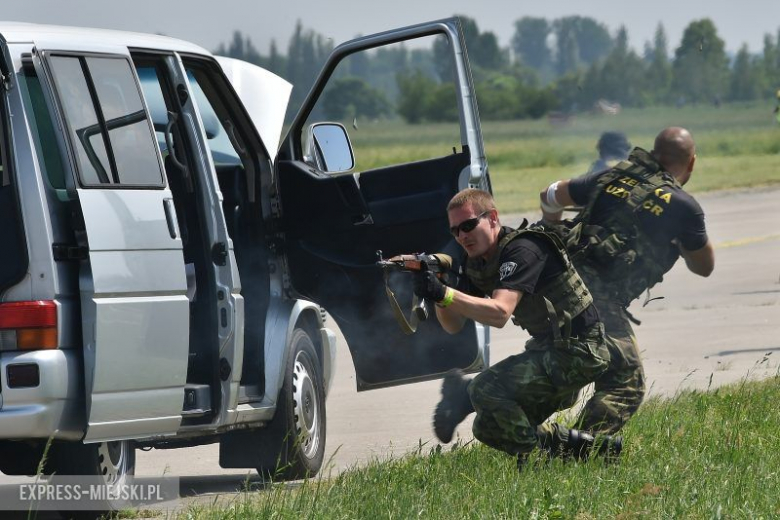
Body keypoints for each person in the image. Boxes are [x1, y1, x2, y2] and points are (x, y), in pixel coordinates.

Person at [414, 188, 621, 470]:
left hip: (581, 350)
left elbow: (500, 313)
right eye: (455, 231)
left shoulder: (523, 249)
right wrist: (437, 289)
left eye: (468, 225)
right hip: (550, 351)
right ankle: (592, 448)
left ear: (493, 218)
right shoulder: (478, 262)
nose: (462, 236)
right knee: (487, 426)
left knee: (487, 388)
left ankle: (534, 461)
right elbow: (452, 326)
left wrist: (445, 293)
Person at [538, 126, 715, 437]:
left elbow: (550, 195)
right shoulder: (683, 206)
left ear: (655, 152)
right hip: (596, 299)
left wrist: (551, 235)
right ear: (692, 163)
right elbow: (704, 266)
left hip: (558, 283)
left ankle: (484, 404)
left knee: (565, 373)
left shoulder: (612, 177)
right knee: (626, 385)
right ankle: (579, 450)